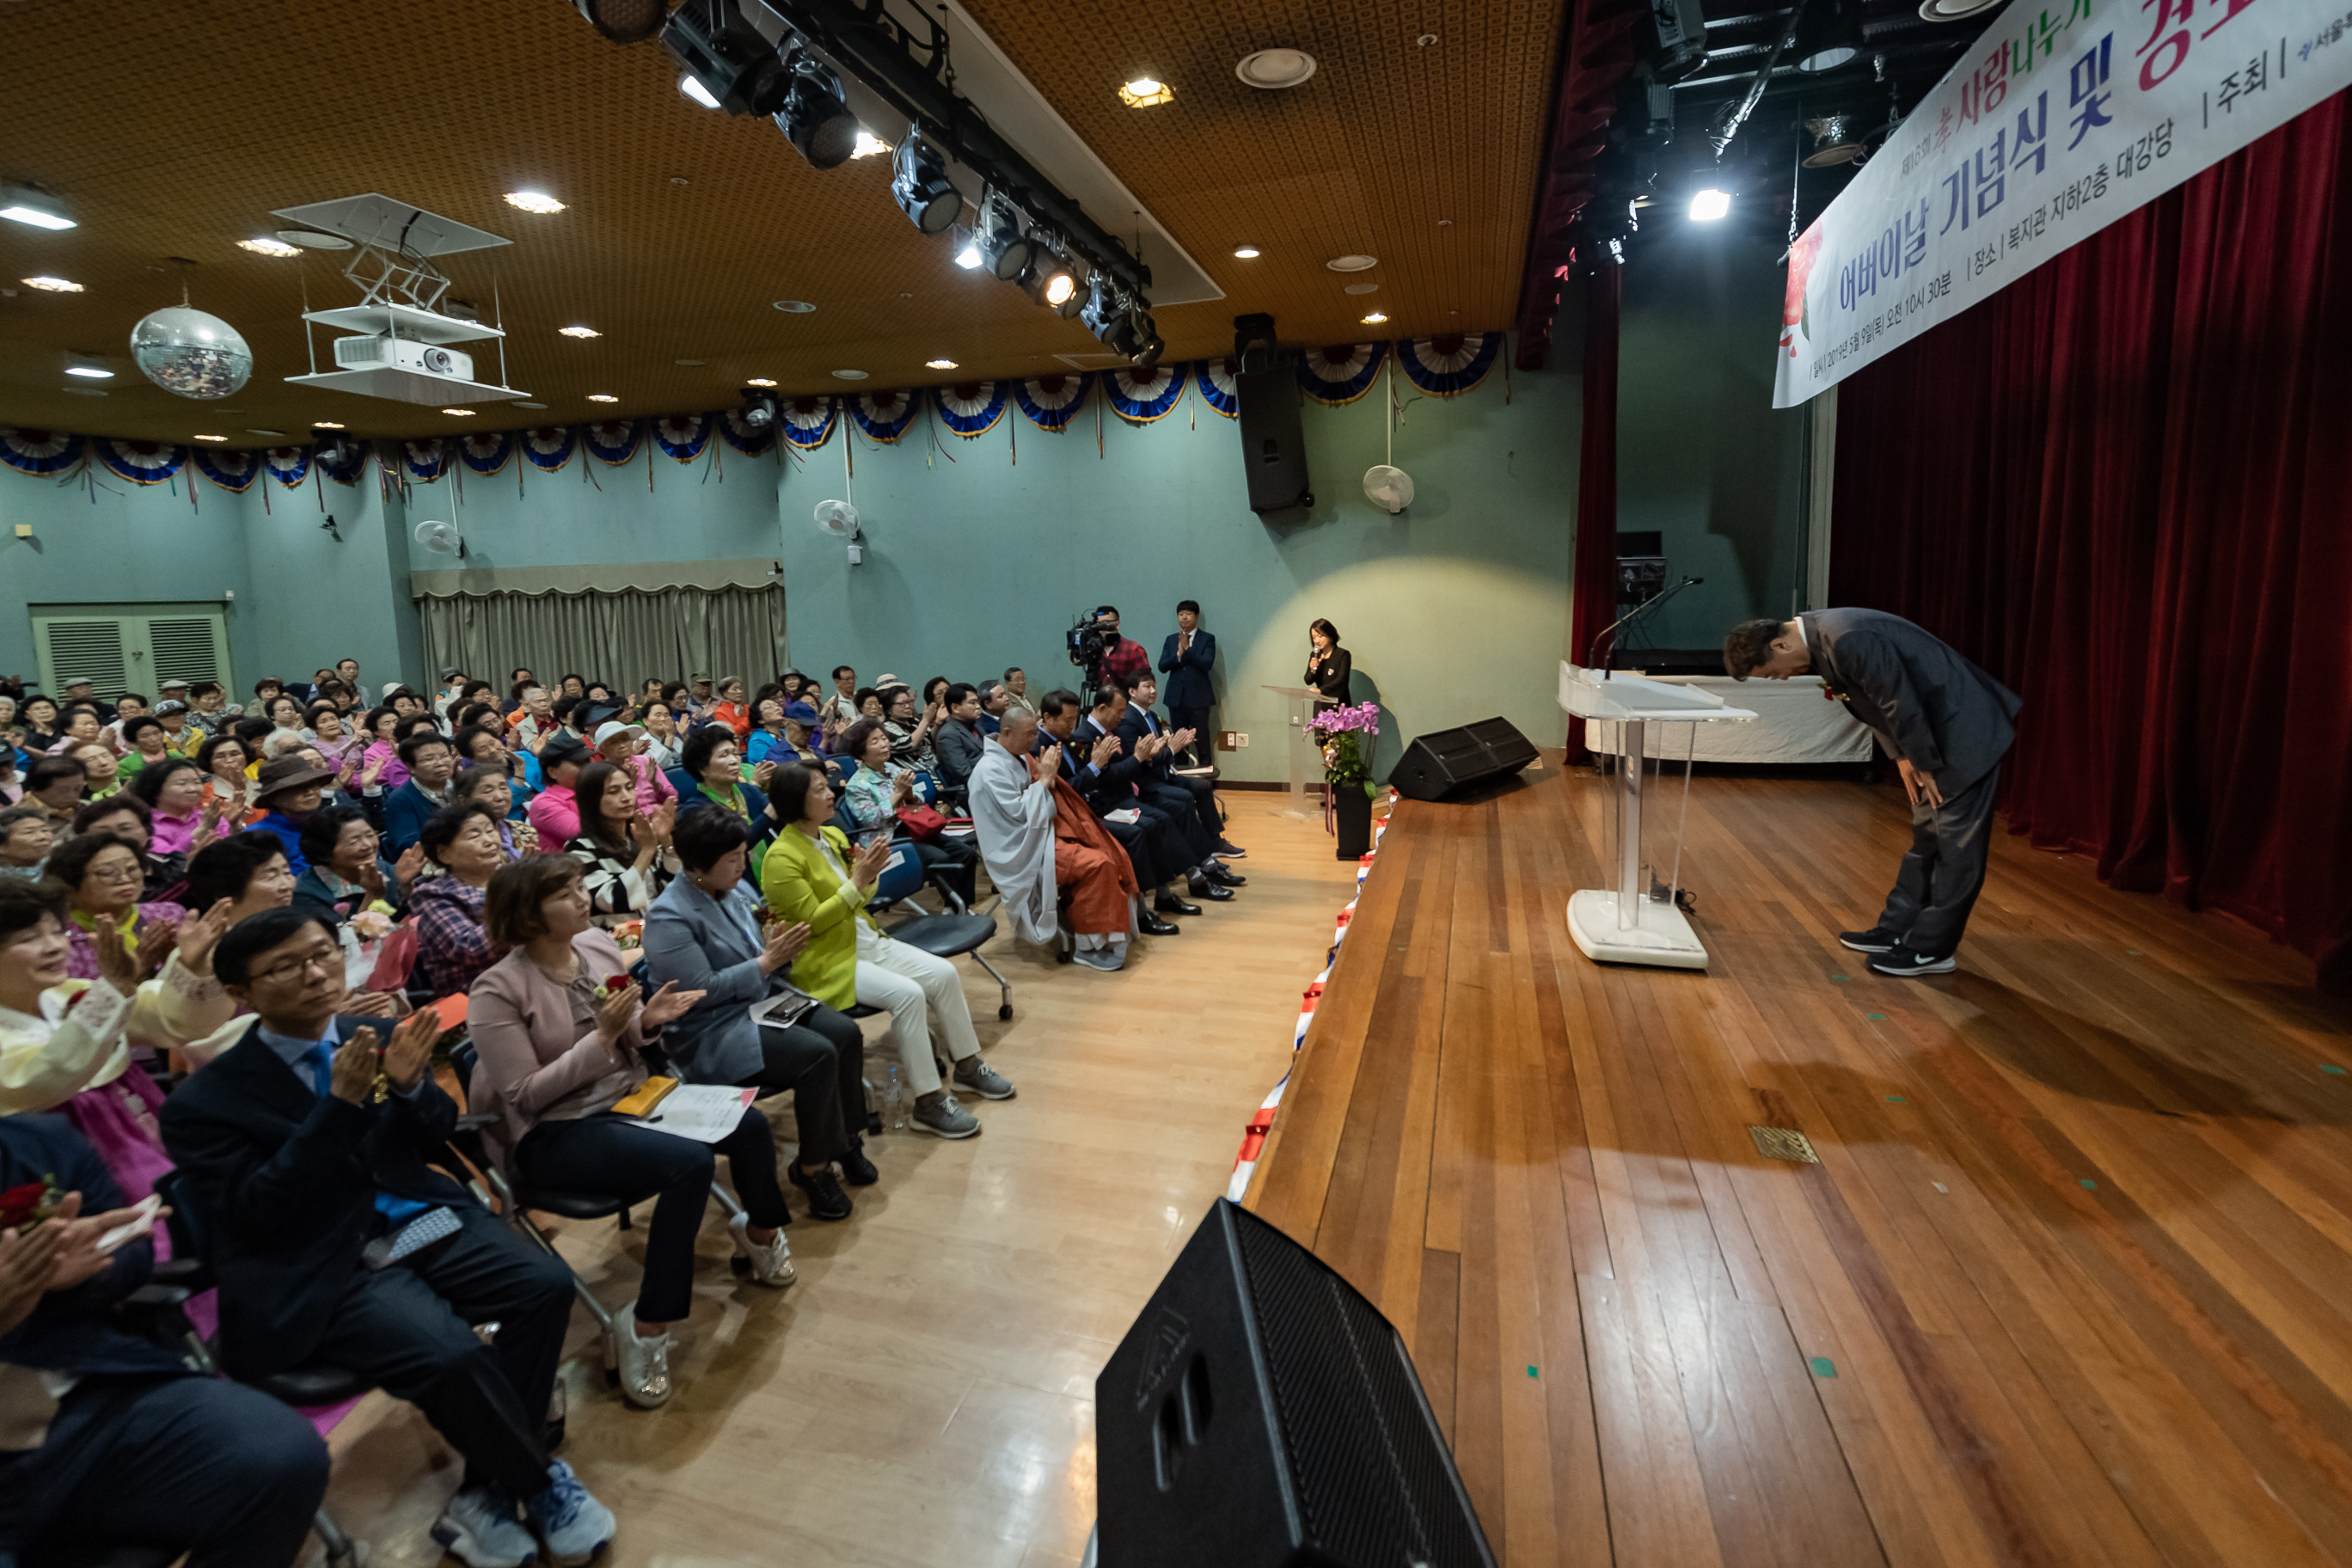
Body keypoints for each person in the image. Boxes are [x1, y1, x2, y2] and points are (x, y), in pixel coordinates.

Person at [157, 909, 618, 1566]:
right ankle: (539, 1483)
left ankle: (486, 1492)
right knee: (449, 1352)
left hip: (418, 1222)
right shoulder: (204, 1102)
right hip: (327, 1256)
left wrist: (408, 1089)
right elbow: (262, 1210)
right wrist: (339, 1109)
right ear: (240, 993)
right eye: (286, 967)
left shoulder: (372, 1035)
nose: (315, 974)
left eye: (322, 953)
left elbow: (433, 1134)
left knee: (543, 1284)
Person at [470, 854, 794, 1407]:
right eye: (566, 894)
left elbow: (631, 1036)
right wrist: (602, 1038)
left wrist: (647, 1020)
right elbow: (524, 1095)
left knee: (749, 1123)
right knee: (688, 1164)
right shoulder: (497, 991)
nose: (584, 899)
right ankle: (646, 1325)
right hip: (556, 1130)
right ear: (526, 914)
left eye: (581, 887)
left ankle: (761, 1234)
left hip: (630, 1097)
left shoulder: (595, 946)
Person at [0, 1112, 332, 1567]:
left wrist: (88, 1270)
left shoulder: (40, 1142)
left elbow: (131, 1248)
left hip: (85, 1398)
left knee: (282, 1456)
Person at [1724, 610, 2023, 977]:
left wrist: (1921, 760)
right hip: (1931, 736)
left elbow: (1898, 698)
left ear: (1780, 645)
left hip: (1962, 731)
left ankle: (1932, 949)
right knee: (1927, 839)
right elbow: (1873, 699)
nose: (1782, 678)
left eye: (1773, 673)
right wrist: (1901, 755)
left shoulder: (1846, 637)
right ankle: (1897, 929)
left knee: (1956, 848)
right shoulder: (1822, 637)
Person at [760, 762, 1014, 1139]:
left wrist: (868, 877)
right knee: (909, 995)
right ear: (795, 801)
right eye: (819, 789)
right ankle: (928, 1103)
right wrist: (857, 882)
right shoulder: (780, 858)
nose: (830, 794)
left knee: (944, 974)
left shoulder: (832, 835)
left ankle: (967, 1066)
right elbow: (812, 923)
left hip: (866, 939)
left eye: (827, 786)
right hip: (828, 959)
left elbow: (863, 898)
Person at [639, 805, 879, 1204]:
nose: (743, 865)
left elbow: (761, 956)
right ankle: (813, 1168)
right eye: (733, 858)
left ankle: (845, 1141)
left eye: (743, 854)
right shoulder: (669, 917)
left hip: (762, 1000)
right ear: (699, 864)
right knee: (817, 1055)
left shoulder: (737, 891)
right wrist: (766, 962)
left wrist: (777, 953)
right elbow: (698, 991)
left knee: (845, 1032)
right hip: (711, 1029)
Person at [970, 705, 1139, 971]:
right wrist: (1045, 779)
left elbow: (1041, 802)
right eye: (1028, 735)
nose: (1034, 740)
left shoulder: (1019, 756)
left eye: (1035, 733)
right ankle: (1087, 947)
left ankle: (1082, 926)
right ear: (1007, 732)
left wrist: (1046, 780)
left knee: (1109, 850)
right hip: (1019, 849)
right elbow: (1019, 814)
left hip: (1041, 834)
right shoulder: (989, 770)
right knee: (1097, 864)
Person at [1034, 690, 1181, 936]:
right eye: (1067, 720)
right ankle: (1140, 912)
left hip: (1092, 806)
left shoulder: (1066, 739)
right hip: (1070, 820)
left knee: (1150, 825)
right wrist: (1095, 766)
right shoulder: (1038, 748)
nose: (1072, 725)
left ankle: (1162, 895)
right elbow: (1066, 791)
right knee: (1136, 833)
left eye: (1074, 719)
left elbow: (1088, 779)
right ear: (1048, 718)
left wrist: (1097, 766)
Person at [836, 717, 978, 906]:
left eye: (884, 738)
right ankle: (956, 906)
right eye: (875, 741)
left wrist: (909, 793)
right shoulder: (857, 785)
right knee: (941, 859)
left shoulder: (892, 768)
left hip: (915, 827)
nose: (884, 744)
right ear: (861, 752)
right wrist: (897, 793)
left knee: (966, 853)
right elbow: (871, 819)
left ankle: (960, 907)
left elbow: (918, 799)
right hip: (888, 837)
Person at [1118, 672, 1245, 859]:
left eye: (1154, 686)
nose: (1153, 691)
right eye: (1147, 686)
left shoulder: (1152, 715)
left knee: (1203, 787)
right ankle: (1197, 850)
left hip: (1163, 775)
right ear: (1132, 692)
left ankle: (1215, 841)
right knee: (1185, 797)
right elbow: (1141, 761)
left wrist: (1174, 744)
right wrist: (1171, 749)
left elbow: (1159, 750)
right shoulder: (1128, 720)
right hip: (1146, 783)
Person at [46, 831, 185, 982]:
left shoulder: (168, 914)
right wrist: (140, 969)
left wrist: (177, 960)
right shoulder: (59, 941)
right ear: (70, 886)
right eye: (107, 873)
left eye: (132, 869)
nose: (125, 878)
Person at [413, 801, 508, 997]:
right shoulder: (431, 895)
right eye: (474, 835)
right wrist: (527, 911)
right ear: (444, 854)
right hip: (479, 998)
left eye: (490, 830)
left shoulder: (512, 877)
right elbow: (468, 948)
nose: (489, 841)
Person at [567, 759, 679, 925]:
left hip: (662, 924)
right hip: (618, 936)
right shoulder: (579, 849)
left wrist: (667, 841)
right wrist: (647, 850)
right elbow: (612, 900)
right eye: (614, 792)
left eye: (629, 788)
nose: (626, 798)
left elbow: (675, 885)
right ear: (591, 800)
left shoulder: (639, 835)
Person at [295, 804, 422, 927]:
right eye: (354, 842)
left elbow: (400, 920)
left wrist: (405, 886)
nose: (368, 845)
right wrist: (373, 895)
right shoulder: (306, 894)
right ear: (324, 854)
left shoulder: (382, 868)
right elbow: (342, 939)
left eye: (370, 835)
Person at [675, 726, 775, 853]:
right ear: (702, 768)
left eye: (735, 754)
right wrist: (770, 814)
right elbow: (731, 847)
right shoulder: (696, 809)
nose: (734, 761)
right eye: (724, 755)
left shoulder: (749, 791)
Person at [245, 753, 338, 874]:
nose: (310, 792)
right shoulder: (258, 837)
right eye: (298, 787)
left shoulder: (331, 823)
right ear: (273, 798)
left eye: (313, 784)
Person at [1159, 598, 1218, 765]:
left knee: (1202, 740)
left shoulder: (1207, 639)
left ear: (1196, 616)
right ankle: (1180, 774)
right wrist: (1178, 654)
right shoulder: (1171, 639)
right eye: (1181, 614)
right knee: (1178, 741)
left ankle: (1206, 775)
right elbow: (1162, 666)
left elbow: (1206, 664)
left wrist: (1188, 649)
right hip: (1176, 699)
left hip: (1199, 699)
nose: (1184, 617)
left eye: (1188, 614)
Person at [383, 729, 462, 851]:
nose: (440, 763)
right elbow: (410, 845)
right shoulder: (401, 799)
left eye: (444, 756)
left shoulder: (462, 788)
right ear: (410, 767)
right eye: (429, 759)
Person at [593, 719, 677, 818]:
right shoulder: (602, 773)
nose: (622, 745)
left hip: (661, 815)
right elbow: (611, 811)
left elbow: (673, 797)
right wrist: (630, 785)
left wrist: (655, 784)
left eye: (624, 739)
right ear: (602, 750)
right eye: (614, 742)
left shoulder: (646, 761)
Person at [524, 733, 591, 849]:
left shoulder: (591, 791)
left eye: (588, 761)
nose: (588, 768)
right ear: (552, 772)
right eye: (579, 763)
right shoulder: (544, 803)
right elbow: (583, 834)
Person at [932, 683, 989, 801]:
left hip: (987, 782)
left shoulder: (976, 727)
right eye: (972, 703)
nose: (978, 706)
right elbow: (964, 774)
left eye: (977, 702)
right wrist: (995, 780)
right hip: (970, 792)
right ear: (955, 708)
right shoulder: (948, 735)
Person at [880, 684, 943, 776]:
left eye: (909, 702)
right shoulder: (886, 728)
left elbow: (930, 738)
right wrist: (925, 720)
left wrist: (938, 722)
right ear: (888, 708)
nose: (908, 706)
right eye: (902, 703)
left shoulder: (914, 721)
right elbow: (910, 744)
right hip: (913, 776)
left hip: (933, 769)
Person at [196, 732, 256, 821]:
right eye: (220, 757)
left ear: (246, 757)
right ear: (209, 764)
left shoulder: (264, 787)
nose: (229, 760)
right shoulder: (201, 793)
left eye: (235, 754)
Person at [1091, 607, 1152, 692]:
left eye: (1107, 623)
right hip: (1102, 698)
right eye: (1099, 624)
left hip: (1125, 698)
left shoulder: (1133, 649)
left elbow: (1145, 681)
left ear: (1117, 624)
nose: (1103, 627)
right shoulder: (1094, 650)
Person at [21, 756, 87, 819]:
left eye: (78, 788)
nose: (72, 795)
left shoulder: (87, 808)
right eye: (63, 791)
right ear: (37, 791)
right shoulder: (20, 817)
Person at [1305, 617, 1351, 706]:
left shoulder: (1342, 654)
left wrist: (1320, 691)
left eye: (1320, 636)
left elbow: (1342, 680)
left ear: (1330, 635)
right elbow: (1308, 680)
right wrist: (1312, 669)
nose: (1317, 641)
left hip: (1338, 704)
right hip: (1320, 704)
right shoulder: (1315, 655)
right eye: (1314, 637)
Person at [0, 806, 52, 879]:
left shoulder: (59, 866)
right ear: (1, 847)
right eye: (29, 832)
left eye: (44, 830)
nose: (43, 837)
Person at [817, 665, 860, 729]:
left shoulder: (860, 697)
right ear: (837, 682)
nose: (852, 682)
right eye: (847, 679)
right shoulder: (833, 703)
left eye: (853, 678)